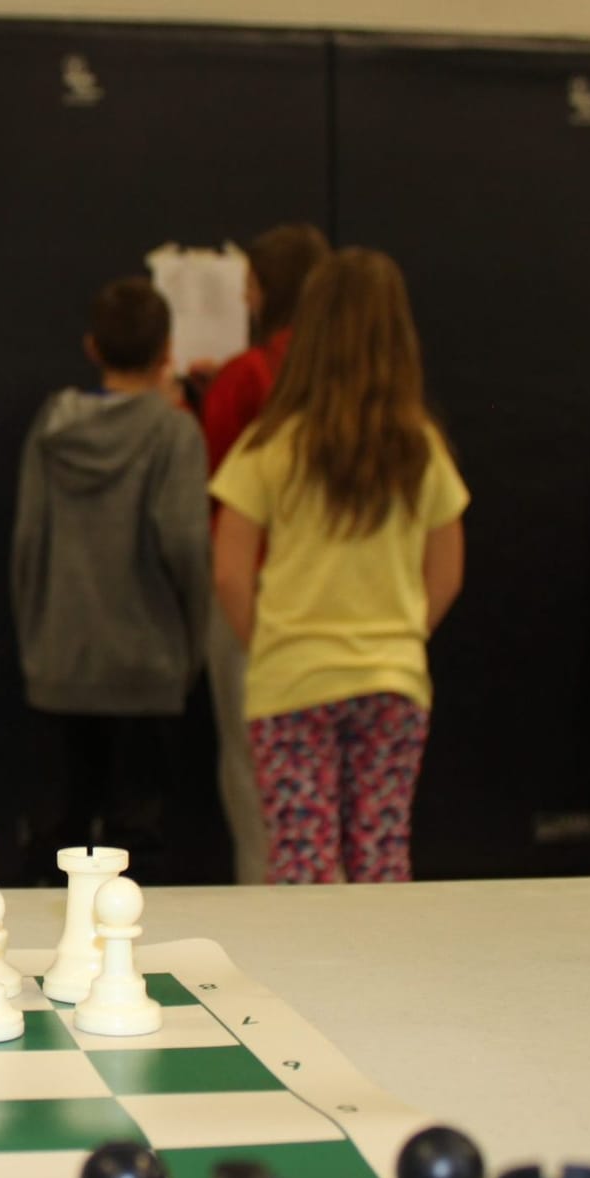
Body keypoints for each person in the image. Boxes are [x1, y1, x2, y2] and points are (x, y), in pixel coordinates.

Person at [209, 248, 468, 884]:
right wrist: (399, 636)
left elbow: (229, 572)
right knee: (381, 860)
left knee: (304, 867)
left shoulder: (271, 445)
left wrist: (267, 644)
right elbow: (446, 572)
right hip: (392, 679)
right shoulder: (421, 447)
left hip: (293, 680)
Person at [9, 277, 209, 884]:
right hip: (147, 668)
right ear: (167, 351)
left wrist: (36, 645)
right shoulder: (174, 433)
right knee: (138, 850)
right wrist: (190, 649)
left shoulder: (53, 426)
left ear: (92, 347)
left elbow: (27, 542)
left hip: (58, 662)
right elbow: (186, 545)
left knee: (55, 844)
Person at [201, 223, 329, 885]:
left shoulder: (248, 377)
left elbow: (217, 492)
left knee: (255, 782)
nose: (244, 297)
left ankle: (265, 910)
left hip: (255, 598)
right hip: (338, 606)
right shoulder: (350, 384)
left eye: (250, 284)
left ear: (268, 289)